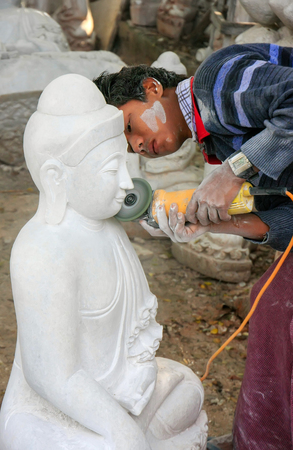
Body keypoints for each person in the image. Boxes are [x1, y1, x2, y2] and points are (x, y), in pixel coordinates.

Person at [94, 43, 293, 450]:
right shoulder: (217, 143)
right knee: (272, 300)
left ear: (151, 89)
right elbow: (289, 224)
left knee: (279, 310)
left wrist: (236, 172)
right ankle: (260, 438)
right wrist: (217, 224)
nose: (137, 146)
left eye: (130, 126)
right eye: (129, 144)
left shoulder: (213, 82)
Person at [0, 73, 208, 450]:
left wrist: (176, 221)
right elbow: (53, 377)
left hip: (121, 389)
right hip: (50, 410)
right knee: (118, 445)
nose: (128, 184)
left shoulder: (106, 226)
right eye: (113, 171)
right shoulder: (41, 250)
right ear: (56, 177)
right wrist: (121, 431)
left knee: (188, 387)